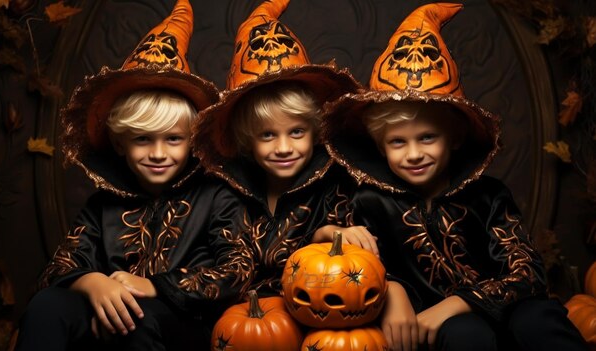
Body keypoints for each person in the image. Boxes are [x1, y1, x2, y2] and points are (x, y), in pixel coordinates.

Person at [321, 3, 588, 351]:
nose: (414, 154)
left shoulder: (488, 196)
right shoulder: (369, 201)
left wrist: (455, 302)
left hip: (507, 308)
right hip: (440, 329)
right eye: (398, 142)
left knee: (538, 320)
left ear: (456, 137)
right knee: (465, 334)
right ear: (380, 146)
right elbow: (325, 246)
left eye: (427, 138)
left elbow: (527, 273)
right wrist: (392, 289)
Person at [14, 1, 252, 350]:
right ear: (121, 143)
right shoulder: (104, 204)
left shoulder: (216, 196)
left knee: (134, 319)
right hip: (116, 314)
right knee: (48, 305)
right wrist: (93, 282)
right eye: (143, 140)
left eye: (173, 139)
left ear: (191, 142)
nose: (158, 154)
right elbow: (56, 270)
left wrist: (158, 286)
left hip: (185, 326)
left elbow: (238, 270)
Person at [191, 0, 368, 301]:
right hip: (241, 320)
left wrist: (322, 236)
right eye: (268, 135)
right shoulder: (226, 191)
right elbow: (220, 264)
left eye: (296, 132)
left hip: (314, 314)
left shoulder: (337, 184)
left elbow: (355, 266)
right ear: (247, 139)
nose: (284, 148)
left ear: (316, 131)